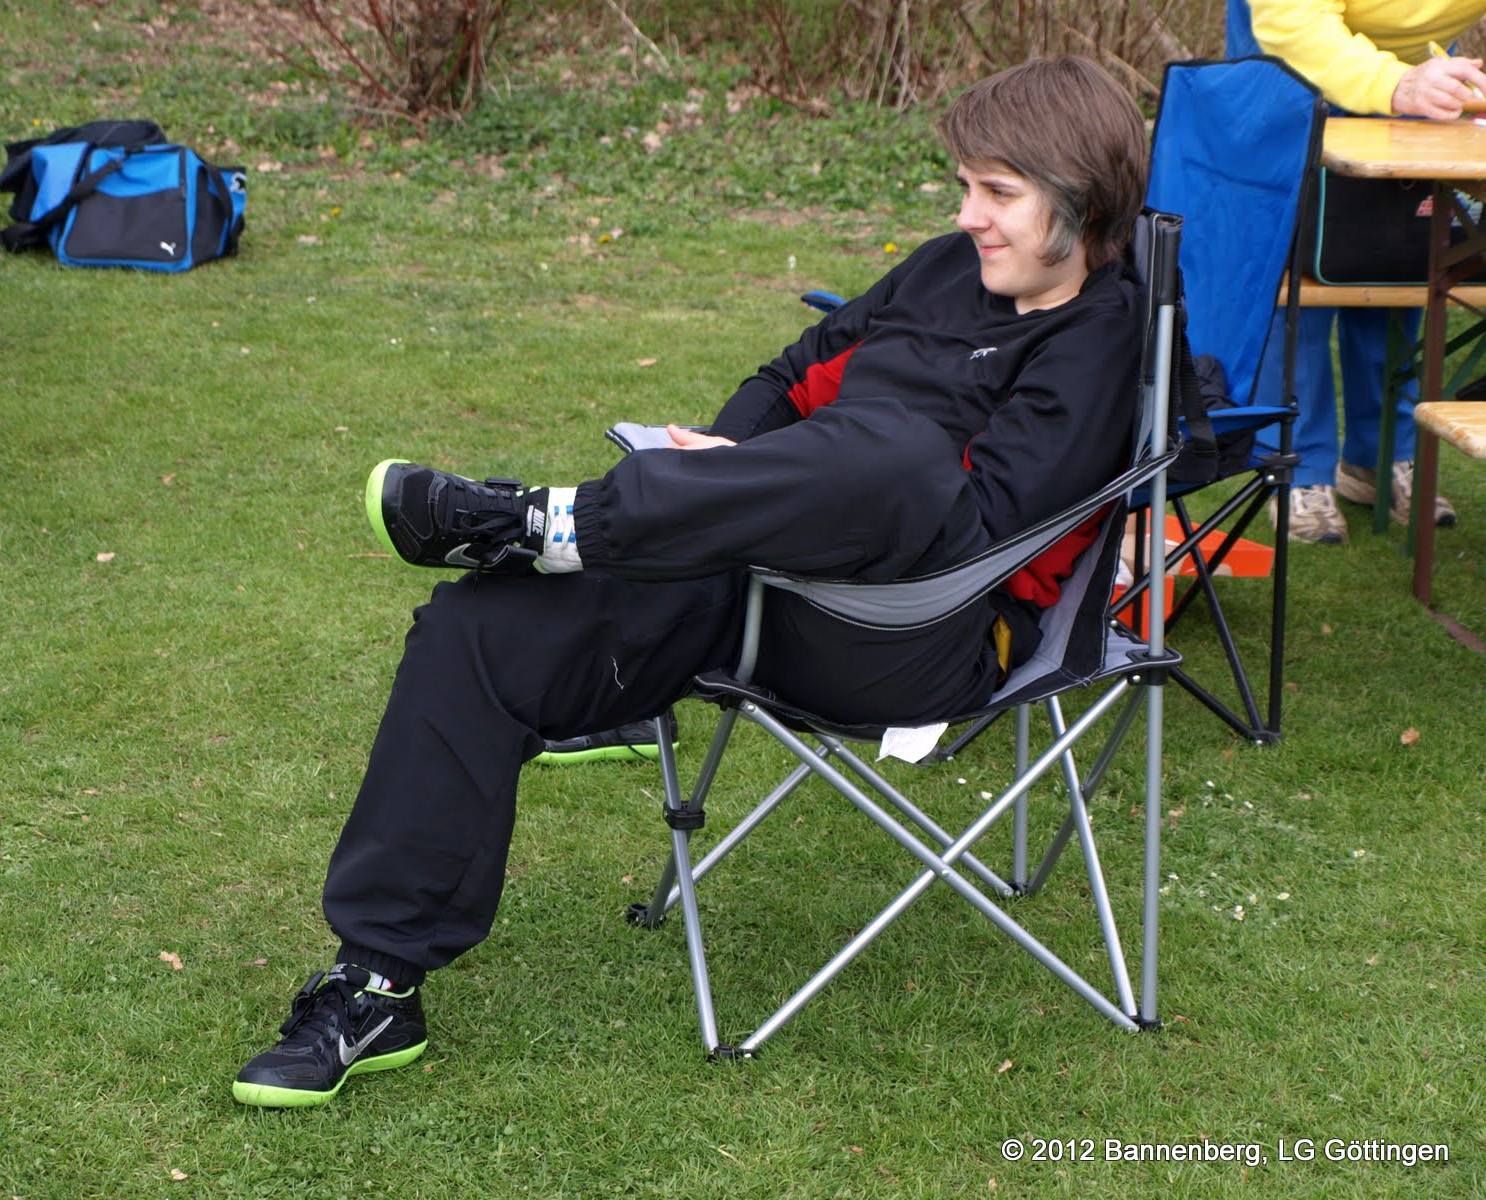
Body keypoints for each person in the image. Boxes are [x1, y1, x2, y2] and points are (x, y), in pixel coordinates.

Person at [230, 55, 1151, 1108]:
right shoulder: (946, 269)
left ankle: (560, 522)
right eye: (964, 186)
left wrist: (784, 485)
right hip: (750, 577)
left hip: (907, 634)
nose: (966, 215)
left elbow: (980, 533)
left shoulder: (1100, 337)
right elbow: (791, 375)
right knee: (472, 629)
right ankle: (377, 983)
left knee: (895, 455)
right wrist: (730, 462)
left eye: (997, 192)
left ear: (1080, 202)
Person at [1231, 0, 1486, 542]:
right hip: (1289, 56)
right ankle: (1296, 467)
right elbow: (1290, 22)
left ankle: (1381, 458)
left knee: (1395, 266)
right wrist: (1394, 84)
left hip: (1411, 68)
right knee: (1296, 282)